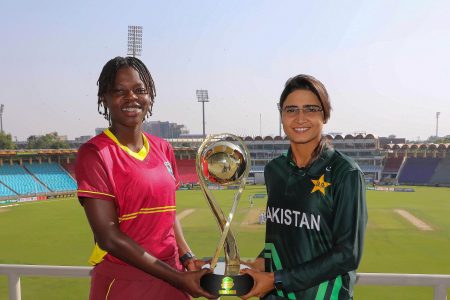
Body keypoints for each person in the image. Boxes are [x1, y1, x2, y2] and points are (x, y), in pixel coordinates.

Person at [75, 56, 214, 299]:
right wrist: (178, 278)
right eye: (120, 91)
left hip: (173, 277)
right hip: (126, 283)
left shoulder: (163, 148)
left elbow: (167, 215)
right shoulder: (95, 153)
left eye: (140, 90)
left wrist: (186, 256)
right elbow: (109, 238)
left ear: (150, 97)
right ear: (104, 98)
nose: (131, 97)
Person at [240, 74, 367, 299]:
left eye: (310, 109)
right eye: (291, 110)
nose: (300, 118)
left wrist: (277, 280)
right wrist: (258, 263)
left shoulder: (345, 172)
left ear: (324, 115)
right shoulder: (274, 170)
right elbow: (283, 237)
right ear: (281, 116)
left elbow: (348, 254)